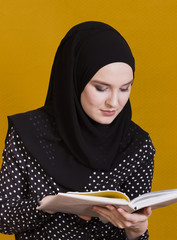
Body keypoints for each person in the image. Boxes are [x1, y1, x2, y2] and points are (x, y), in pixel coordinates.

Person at [0, 21, 155, 239]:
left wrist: (137, 230)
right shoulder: (28, 133)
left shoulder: (136, 145)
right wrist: (49, 205)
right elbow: (4, 218)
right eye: (101, 88)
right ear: (73, 80)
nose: (114, 102)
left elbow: (135, 223)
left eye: (124, 88)